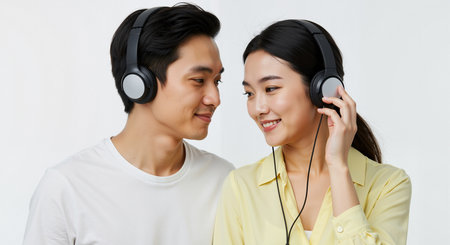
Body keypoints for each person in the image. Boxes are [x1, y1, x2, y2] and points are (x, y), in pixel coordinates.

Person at [23, 3, 234, 245]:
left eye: (217, 81)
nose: (215, 98)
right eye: (198, 80)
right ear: (139, 83)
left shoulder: (225, 181)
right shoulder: (66, 188)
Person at [213, 19, 411, 244]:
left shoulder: (388, 185)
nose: (257, 108)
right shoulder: (241, 187)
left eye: (271, 89)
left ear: (322, 88)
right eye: (249, 93)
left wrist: (338, 167)